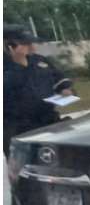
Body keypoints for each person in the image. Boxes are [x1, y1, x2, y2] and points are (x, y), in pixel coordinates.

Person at [3, 25, 75, 157]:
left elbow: (59, 77)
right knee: (25, 167)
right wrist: (18, 65)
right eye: (26, 44)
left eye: (32, 43)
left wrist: (65, 88)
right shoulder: (6, 66)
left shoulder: (39, 60)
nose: (32, 47)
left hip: (47, 121)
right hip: (17, 127)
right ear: (9, 45)